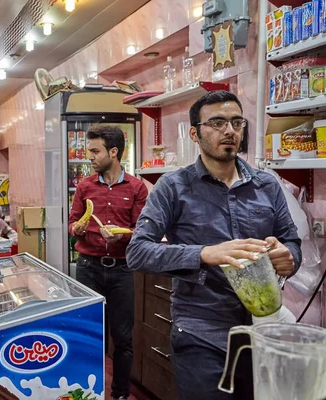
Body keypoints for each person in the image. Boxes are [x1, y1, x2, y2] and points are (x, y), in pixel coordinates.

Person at [126, 91, 302, 400]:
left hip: (262, 329)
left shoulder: (267, 185)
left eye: (236, 122)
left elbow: (291, 241)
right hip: (201, 330)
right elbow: (138, 252)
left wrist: (289, 256)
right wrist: (206, 253)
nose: (229, 130)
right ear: (195, 133)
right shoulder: (173, 186)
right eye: (217, 122)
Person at [68, 125, 148, 400]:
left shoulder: (137, 188)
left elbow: (141, 230)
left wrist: (120, 236)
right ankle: (90, 392)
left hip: (122, 271)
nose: (89, 156)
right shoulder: (85, 186)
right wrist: (76, 229)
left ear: (113, 152)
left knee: (123, 339)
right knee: (91, 334)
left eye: (94, 151)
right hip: (88, 268)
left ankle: (120, 394)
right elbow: (72, 222)